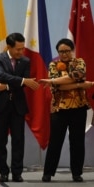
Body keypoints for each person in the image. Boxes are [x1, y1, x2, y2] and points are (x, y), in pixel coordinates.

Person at [39, 38, 94, 182]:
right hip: (59, 108)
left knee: (77, 142)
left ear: (72, 50)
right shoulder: (53, 64)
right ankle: (48, 173)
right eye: (61, 52)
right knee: (55, 141)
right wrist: (79, 85)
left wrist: (55, 81)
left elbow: (78, 75)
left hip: (79, 108)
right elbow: (59, 87)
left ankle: (77, 173)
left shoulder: (80, 62)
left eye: (67, 51)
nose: (64, 54)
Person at [0, 33, 39, 182]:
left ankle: (17, 172)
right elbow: (0, 75)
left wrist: (9, 86)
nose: (20, 52)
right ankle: (3, 171)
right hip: (0, 106)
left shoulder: (25, 61)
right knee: (1, 141)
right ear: (9, 47)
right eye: (17, 49)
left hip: (18, 106)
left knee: (18, 140)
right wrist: (21, 81)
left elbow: (24, 82)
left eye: (22, 49)